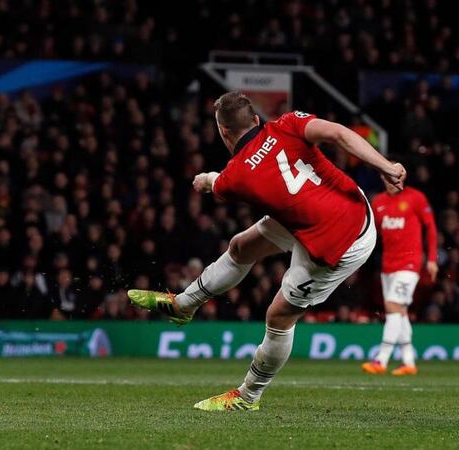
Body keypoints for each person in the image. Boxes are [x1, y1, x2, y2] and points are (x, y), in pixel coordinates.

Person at [128, 92, 405, 411]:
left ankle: (248, 396)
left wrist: (204, 180)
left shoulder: (235, 178)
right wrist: (386, 166)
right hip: (349, 204)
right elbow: (339, 133)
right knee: (241, 246)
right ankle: (184, 306)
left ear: (223, 132)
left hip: (342, 242)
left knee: (280, 315)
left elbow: (217, 184)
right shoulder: (289, 123)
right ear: (257, 120)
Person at [362, 172, 437, 376]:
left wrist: (431, 259)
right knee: (398, 311)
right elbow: (373, 232)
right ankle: (409, 362)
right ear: (381, 178)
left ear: (402, 178)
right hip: (388, 266)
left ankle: (381, 359)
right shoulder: (378, 202)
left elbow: (430, 228)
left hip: (410, 264)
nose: (391, 182)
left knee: (393, 306)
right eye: (386, 178)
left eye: (395, 178)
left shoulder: (416, 198)